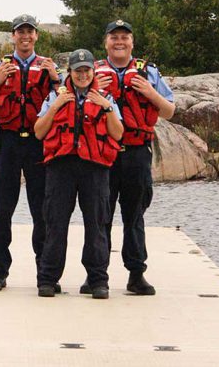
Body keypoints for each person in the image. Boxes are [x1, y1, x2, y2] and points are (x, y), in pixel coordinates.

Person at [85, 20, 175, 296]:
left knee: (134, 216)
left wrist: (149, 92)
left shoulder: (149, 73)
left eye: (124, 37)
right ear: (106, 43)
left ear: (132, 42)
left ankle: (136, 274)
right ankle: (96, 275)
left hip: (136, 153)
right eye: (114, 37)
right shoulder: (92, 73)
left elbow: (169, 110)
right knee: (101, 216)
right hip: (104, 153)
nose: (119, 42)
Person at [0, 14, 60, 293]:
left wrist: (56, 80)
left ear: (36, 36)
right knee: (2, 211)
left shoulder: (47, 67)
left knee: (42, 212)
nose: (25, 36)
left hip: (37, 143)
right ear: (13, 36)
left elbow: (64, 105)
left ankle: (45, 274)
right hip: (8, 143)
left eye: (30, 32)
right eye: (20, 32)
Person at [34, 49, 123, 299]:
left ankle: (98, 281)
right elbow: (39, 132)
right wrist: (57, 106)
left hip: (94, 167)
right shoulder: (55, 96)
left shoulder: (105, 97)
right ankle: (48, 279)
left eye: (86, 70)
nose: (82, 75)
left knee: (96, 224)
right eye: (77, 71)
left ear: (93, 72)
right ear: (70, 73)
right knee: (55, 224)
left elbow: (118, 134)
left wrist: (106, 108)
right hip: (61, 167)